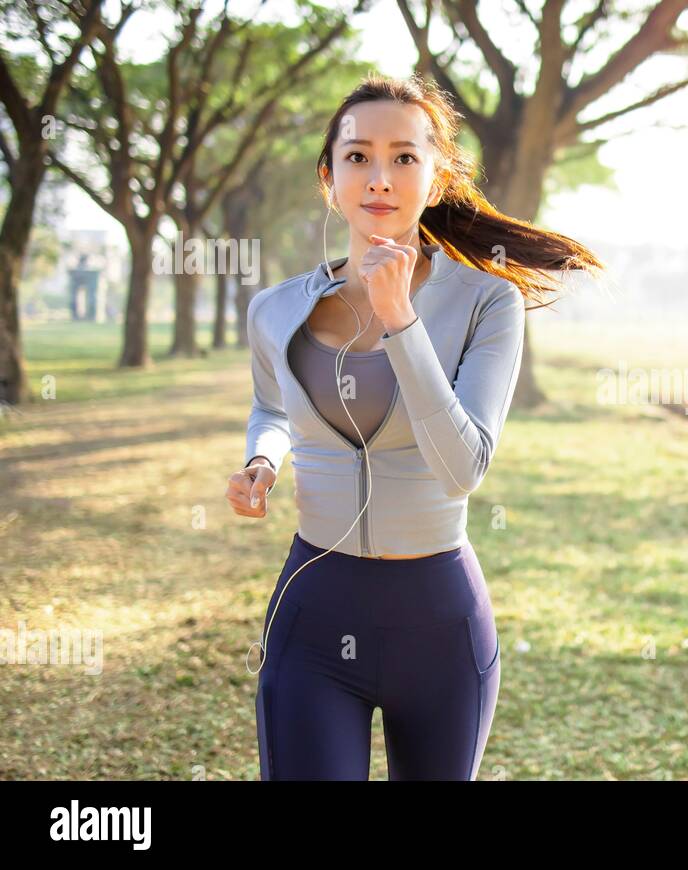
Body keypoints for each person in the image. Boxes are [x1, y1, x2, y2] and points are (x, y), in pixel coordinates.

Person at [223, 72, 604, 780]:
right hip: (313, 611)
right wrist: (263, 460)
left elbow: (465, 466)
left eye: (404, 157)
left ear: (435, 179)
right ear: (329, 179)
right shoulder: (275, 309)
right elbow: (272, 407)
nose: (379, 177)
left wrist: (400, 318)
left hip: (440, 626)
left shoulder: (489, 302)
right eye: (358, 156)